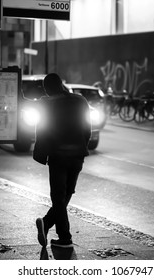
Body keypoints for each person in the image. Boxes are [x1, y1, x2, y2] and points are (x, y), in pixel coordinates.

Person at [34, 73, 92, 248]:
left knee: (58, 196)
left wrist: (42, 153)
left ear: (46, 89)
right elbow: (87, 128)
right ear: (62, 84)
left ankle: (64, 237)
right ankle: (47, 225)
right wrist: (82, 145)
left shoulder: (47, 104)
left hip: (58, 156)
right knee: (67, 193)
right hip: (78, 155)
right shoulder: (80, 100)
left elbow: (43, 130)